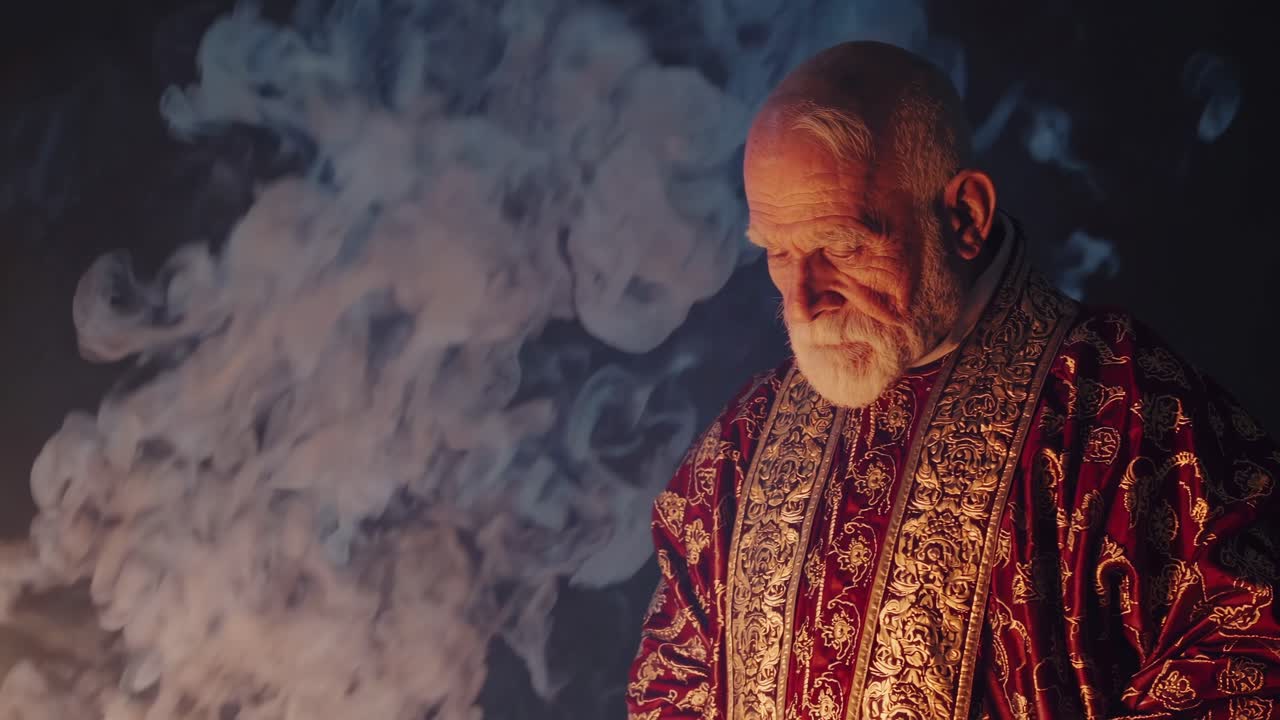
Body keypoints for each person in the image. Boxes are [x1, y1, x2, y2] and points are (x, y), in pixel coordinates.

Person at [625, 41, 1280, 720]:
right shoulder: (742, 446)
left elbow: (1249, 659)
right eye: (779, 253)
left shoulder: (1126, 414)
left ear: (965, 216)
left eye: (842, 247)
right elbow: (671, 685)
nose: (801, 301)